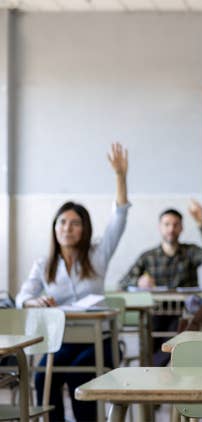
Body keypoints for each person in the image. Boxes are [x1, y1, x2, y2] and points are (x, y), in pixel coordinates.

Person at [15, 143, 129, 422]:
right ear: (55, 228)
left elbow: (119, 216)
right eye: (62, 222)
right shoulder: (44, 264)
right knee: (44, 379)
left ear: (84, 228)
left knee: (81, 377)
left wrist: (120, 176)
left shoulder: (98, 254)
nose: (67, 228)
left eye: (74, 223)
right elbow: (21, 297)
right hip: (60, 341)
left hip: (98, 341)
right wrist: (35, 300)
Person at [118, 201, 202, 290]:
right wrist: (138, 282)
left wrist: (200, 222)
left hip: (187, 310)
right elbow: (122, 283)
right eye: (167, 224)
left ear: (181, 228)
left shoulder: (190, 252)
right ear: (160, 227)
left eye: (175, 225)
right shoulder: (148, 257)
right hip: (156, 310)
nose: (171, 229)